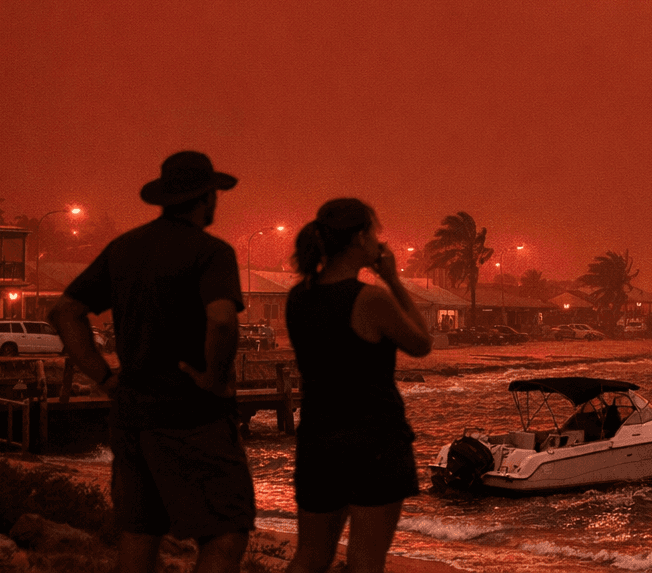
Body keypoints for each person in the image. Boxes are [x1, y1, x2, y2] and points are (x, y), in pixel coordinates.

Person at [50, 151, 254, 573]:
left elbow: (66, 310)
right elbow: (220, 320)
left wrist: (104, 376)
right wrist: (213, 379)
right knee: (225, 532)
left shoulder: (125, 248)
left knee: (140, 534)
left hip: (130, 415)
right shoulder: (210, 252)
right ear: (207, 197)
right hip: (192, 415)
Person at [284, 199, 432, 573]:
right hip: (373, 441)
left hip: (318, 438)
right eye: (374, 233)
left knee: (310, 556)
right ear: (360, 238)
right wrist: (394, 279)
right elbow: (421, 342)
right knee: (365, 560)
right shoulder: (370, 298)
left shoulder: (298, 298)